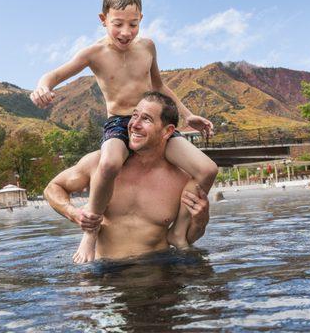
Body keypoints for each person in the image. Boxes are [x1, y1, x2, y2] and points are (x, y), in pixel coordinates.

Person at [31, 0, 218, 262]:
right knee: (108, 163)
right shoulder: (94, 53)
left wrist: (188, 115)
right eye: (118, 23)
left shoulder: (148, 48)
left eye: (133, 24)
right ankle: (90, 232)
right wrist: (43, 87)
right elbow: (54, 75)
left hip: (152, 122)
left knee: (207, 168)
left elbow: (160, 88)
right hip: (120, 123)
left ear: (141, 19)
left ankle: (179, 233)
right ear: (103, 19)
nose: (125, 32)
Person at [44, 92, 211, 262]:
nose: (134, 125)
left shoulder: (181, 180)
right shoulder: (99, 165)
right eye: (134, 115)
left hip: (159, 272)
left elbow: (184, 239)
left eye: (146, 119)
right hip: (107, 274)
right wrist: (74, 214)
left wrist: (200, 221)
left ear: (167, 131)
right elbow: (53, 188)